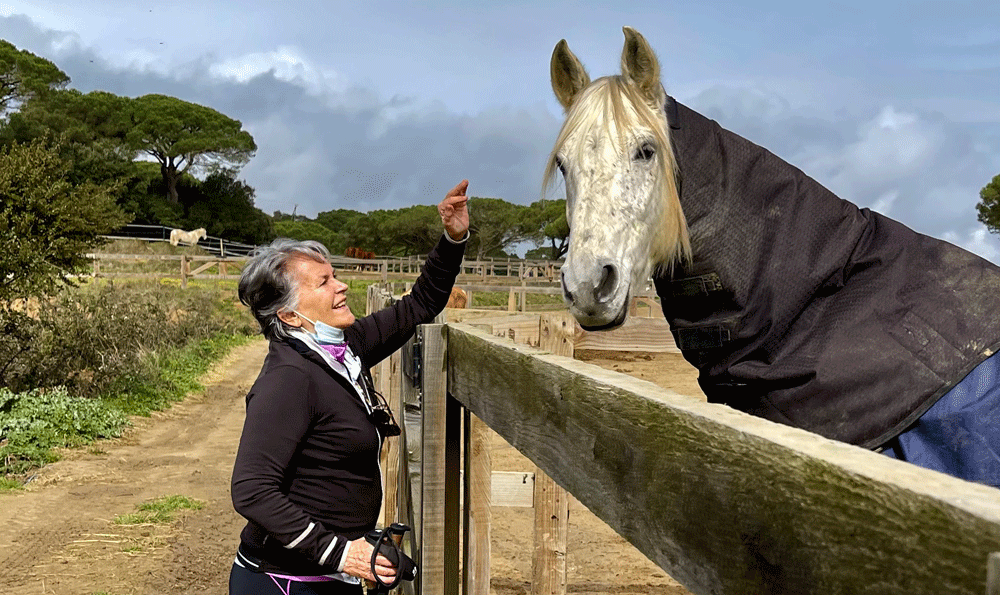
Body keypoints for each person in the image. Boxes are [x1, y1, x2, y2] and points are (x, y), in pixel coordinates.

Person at [229, 180, 470, 594]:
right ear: (288, 316)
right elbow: (251, 490)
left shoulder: (344, 348)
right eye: (323, 283)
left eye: (335, 276)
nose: (341, 286)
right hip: (285, 582)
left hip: (327, 579)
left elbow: (420, 304)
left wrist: (453, 237)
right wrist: (343, 553)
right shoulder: (289, 379)